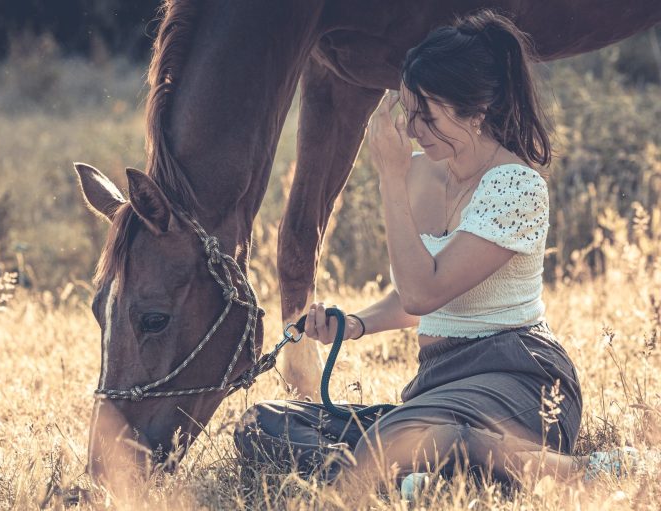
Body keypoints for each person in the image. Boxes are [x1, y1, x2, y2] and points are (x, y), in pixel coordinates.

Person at [233, 8, 632, 500]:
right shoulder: (424, 174)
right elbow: (423, 293)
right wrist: (353, 324)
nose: (414, 128)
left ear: (474, 112)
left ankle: (571, 470)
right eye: (408, 111)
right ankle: (419, 476)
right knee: (262, 424)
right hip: (439, 382)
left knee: (412, 437)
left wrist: (390, 180)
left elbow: (424, 292)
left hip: (517, 377)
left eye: (427, 114)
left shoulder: (515, 187)